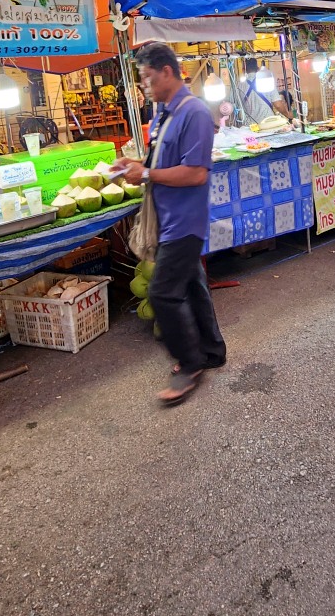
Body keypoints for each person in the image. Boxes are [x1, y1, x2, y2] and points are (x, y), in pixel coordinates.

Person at [114, 42, 225, 406]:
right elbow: (161, 161)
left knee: (162, 292)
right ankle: (212, 351)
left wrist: (145, 173)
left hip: (184, 222)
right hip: (167, 219)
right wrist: (135, 164)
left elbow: (194, 174)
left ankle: (190, 364)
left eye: (146, 77)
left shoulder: (193, 112)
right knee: (192, 285)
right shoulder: (165, 113)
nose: (143, 85)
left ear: (166, 71)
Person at [239, 58, 291, 124]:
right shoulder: (267, 81)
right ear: (258, 69)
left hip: (251, 127)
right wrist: (288, 115)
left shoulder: (238, 86)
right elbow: (278, 105)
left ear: (243, 70)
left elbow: (233, 106)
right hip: (268, 123)